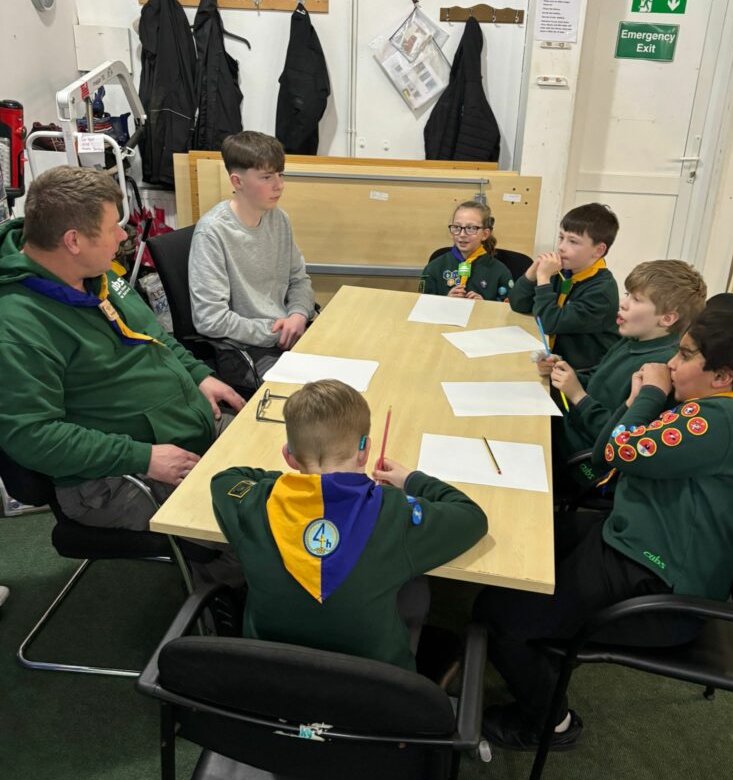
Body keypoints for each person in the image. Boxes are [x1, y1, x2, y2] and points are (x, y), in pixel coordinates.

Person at [474, 310, 733, 751]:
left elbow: (616, 451)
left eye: (685, 355)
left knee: (496, 616)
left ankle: (550, 723)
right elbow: (605, 451)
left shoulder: (720, 418)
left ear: (723, 376)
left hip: (658, 586)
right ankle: (541, 655)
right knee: (522, 543)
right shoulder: (712, 409)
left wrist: (650, 393)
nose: (671, 363)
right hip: (633, 540)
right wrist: (634, 403)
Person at [0, 167, 245, 541]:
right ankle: (217, 574)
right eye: (112, 226)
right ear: (73, 240)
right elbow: (33, 436)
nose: (122, 235)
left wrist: (198, 375)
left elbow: (152, 335)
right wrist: (143, 458)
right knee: (253, 528)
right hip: (116, 474)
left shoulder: (94, 273)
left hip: (182, 428)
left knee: (286, 460)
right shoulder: (18, 326)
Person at [211, 379, 488, 670]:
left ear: (288, 456)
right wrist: (411, 479)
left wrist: (287, 483)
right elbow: (471, 515)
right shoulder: (394, 512)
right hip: (377, 684)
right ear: (365, 451)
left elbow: (226, 479)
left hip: (270, 677)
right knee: (416, 589)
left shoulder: (256, 505)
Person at [539, 259, 707, 488]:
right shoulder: (632, 340)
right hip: (572, 430)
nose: (623, 304)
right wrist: (565, 372)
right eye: (628, 294)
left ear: (667, 318)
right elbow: (598, 380)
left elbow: (619, 435)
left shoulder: (659, 369)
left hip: (585, 464)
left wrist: (578, 395)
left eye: (636, 300)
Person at [189, 131, 315, 388]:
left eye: (280, 174)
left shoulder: (279, 219)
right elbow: (210, 319)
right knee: (312, 397)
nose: (279, 185)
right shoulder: (212, 232)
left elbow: (299, 280)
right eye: (267, 177)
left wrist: (298, 314)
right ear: (237, 181)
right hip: (246, 350)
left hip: (287, 334)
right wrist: (275, 332)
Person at [509, 202, 620, 370]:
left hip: (583, 373)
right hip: (554, 360)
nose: (561, 247)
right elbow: (518, 304)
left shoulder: (601, 292)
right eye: (561, 238)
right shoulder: (563, 270)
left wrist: (544, 279)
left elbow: (549, 323)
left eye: (573, 241)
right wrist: (532, 274)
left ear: (598, 250)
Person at [420, 201, 513, 302]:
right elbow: (423, 305)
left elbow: (508, 308)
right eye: (457, 227)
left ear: (485, 234)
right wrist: (445, 302)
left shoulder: (500, 271)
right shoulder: (434, 268)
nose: (462, 234)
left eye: (471, 228)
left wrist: (485, 306)